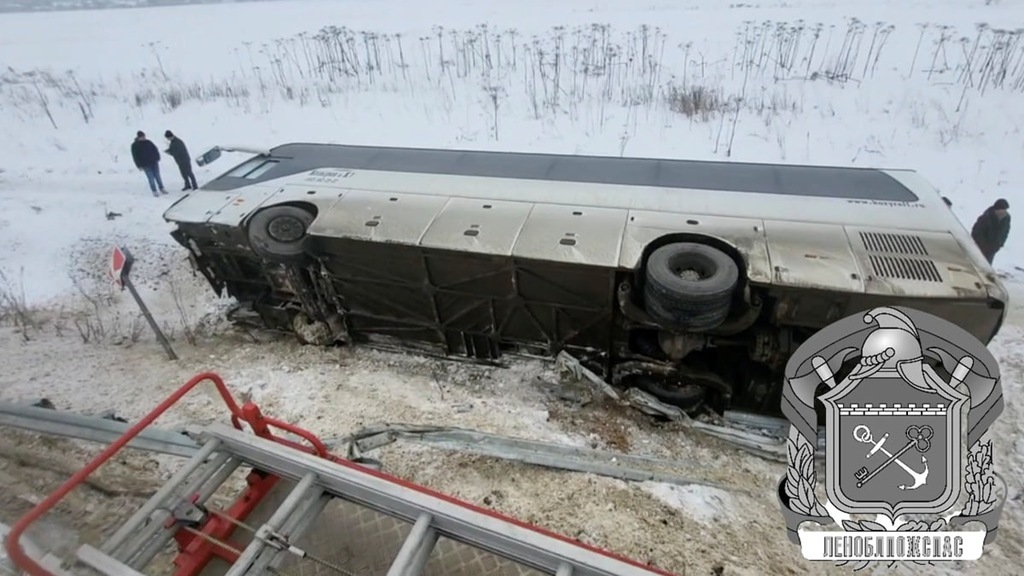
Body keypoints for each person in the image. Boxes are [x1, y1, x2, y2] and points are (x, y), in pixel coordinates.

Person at [970, 198, 1011, 264]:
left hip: (993, 248)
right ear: (997, 209)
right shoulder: (987, 217)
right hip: (980, 247)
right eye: (1002, 210)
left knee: (986, 266)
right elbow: (977, 231)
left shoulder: (1006, 219)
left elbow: (1005, 232)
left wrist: (999, 244)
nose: (1003, 212)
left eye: (1005, 210)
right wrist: (981, 244)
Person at [130, 131, 166, 196]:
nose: (144, 138)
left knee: (158, 176)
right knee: (151, 178)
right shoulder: (134, 145)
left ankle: (162, 188)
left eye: (144, 136)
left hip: (154, 162)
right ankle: (154, 191)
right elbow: (135, 156)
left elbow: (155, 149)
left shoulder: (148, 142)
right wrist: (139, 165)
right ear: (138, 137)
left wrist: (157, 157)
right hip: (145, 164)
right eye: (142, 137)